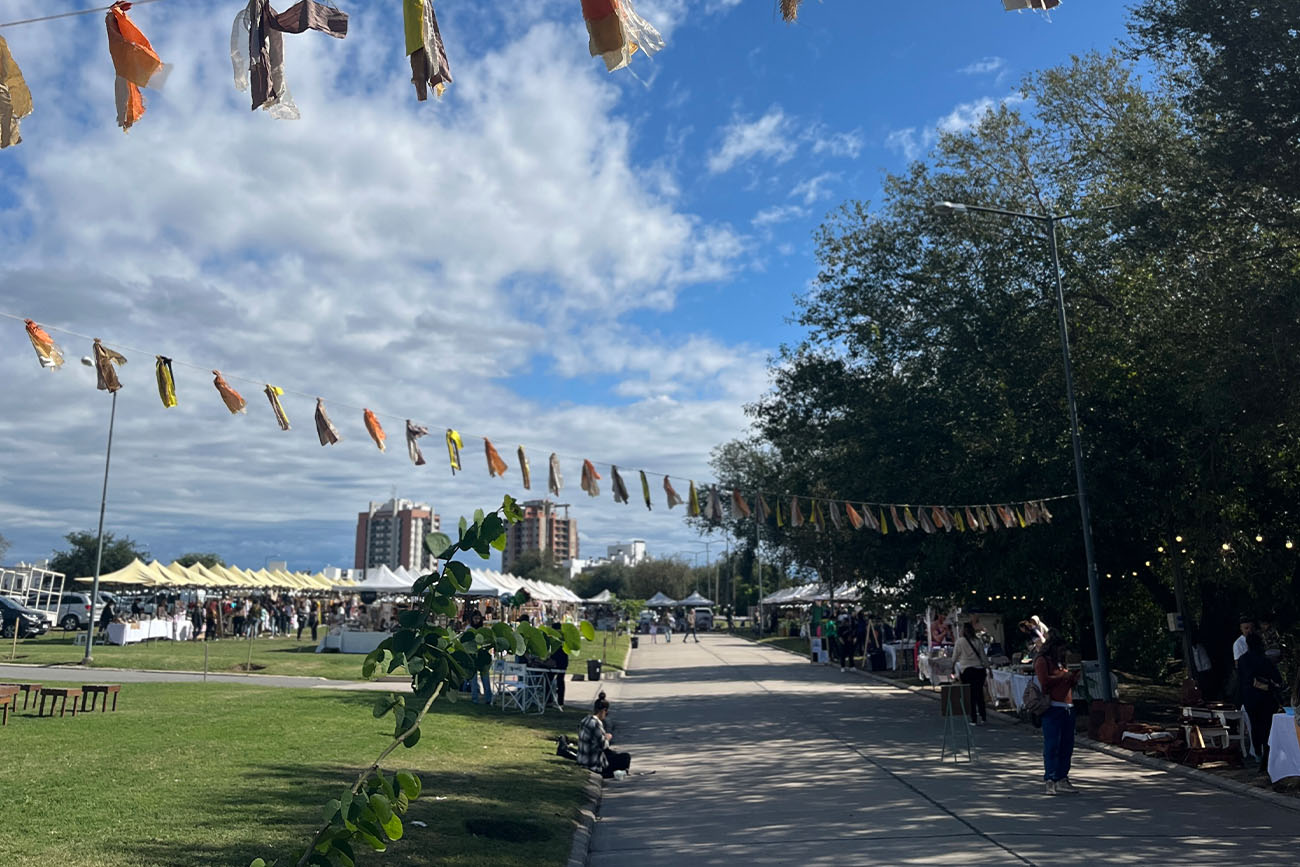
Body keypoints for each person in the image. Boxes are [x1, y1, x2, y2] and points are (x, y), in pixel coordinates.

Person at [1035, 634, 1081, 795]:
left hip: (1068, 706)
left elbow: (1066, 682)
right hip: (1053, 707)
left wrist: (1073, 678)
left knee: (1067, 745)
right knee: (1052, 745)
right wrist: (1063, 675)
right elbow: (1045, 681)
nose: (1063, 651)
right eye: (1060, 648)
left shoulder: (1061, 662)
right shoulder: (1043, 661)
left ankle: (1062, 777)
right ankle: (1050, 779)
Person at [1237, 631, 1284, 773]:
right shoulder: (1265, 660)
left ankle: (1257, 753)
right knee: (1267, 726)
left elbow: (1240, 678)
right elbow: (1277, 678)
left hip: (1249, 697)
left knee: (1255, 725)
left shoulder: (1242, 660)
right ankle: (1267, 753)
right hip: (1266, 697)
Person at [577, 692, 631, 779]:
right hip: (593, 763)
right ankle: (613, 773)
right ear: (603, 710)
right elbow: (603, 745)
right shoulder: (596, 723)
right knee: (625, 757)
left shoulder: (585, 720)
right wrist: (607, 738)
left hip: (582, 759)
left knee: (612, 754)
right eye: (606, 713)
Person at [955, 622, 990, 725]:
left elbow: (955, 656)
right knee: (979, 693)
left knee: (970, 695)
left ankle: (973, 718)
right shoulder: (977, 641)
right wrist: (988, 668)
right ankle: (983, 716)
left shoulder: (960, 642)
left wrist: (952, 666)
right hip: (979, 670)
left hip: (967, 670)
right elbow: (983, 656)